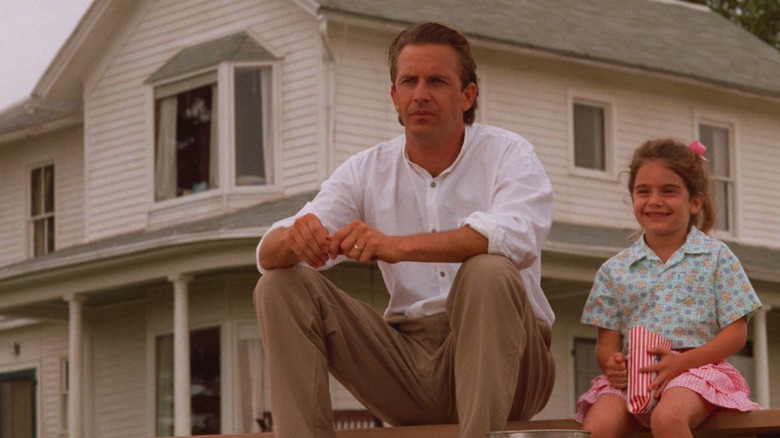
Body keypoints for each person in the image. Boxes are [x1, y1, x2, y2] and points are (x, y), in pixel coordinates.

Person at [253, 21, 555, 438]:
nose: (421, 94)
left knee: (488, 269)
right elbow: (268, 252)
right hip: (410, 366)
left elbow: (510, 238)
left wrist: (395, 246)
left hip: (511, 359)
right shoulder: (365, 169)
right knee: (278, 285)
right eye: (408, 81)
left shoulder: (509, 153)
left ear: (467, 96)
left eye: (437, 81)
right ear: (394, 97)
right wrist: (294, 238)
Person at [574, 138, 762, 438]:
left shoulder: (716, 257)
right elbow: (606, 342)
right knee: (597, 428)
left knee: (668, 418)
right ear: (632, 197)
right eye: (643, 191)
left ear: (695, 202)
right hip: (635, 378)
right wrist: (613, 363)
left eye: (669, 191)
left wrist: (684, 362)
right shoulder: (614, 270)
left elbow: (736, 333)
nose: (654, 201)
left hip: (696, 371)